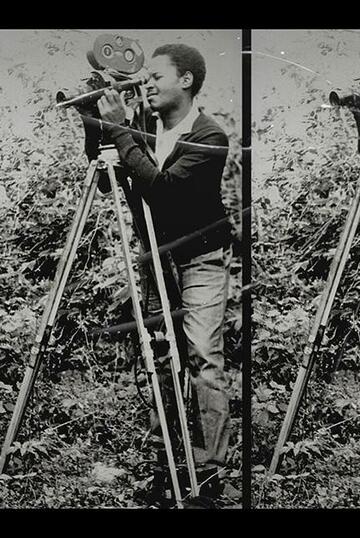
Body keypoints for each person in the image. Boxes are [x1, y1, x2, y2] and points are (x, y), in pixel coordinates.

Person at [91, 43, 233, 505]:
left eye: (155, 77)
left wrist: (120, 129)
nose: (145, 84)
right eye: (144, 78)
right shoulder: (142, 128)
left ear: (186, 81)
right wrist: (96, 121)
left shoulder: (209, 135)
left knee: (202, 358)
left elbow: (164, 192)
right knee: (158, 353)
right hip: (156, 256)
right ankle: (165, 464)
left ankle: (209, 473)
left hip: (201, 258)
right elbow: (104, 174)